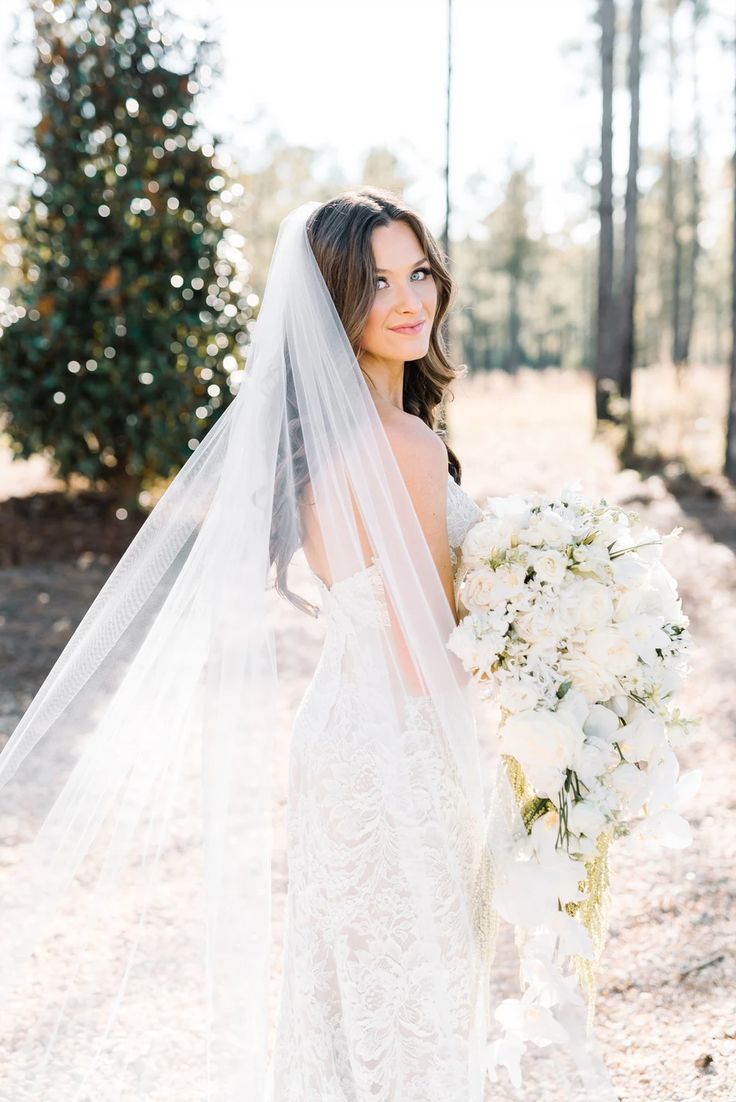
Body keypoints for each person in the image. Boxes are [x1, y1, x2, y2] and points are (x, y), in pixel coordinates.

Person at [0, 188, 616, 1100]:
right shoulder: (403, 442)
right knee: (420, 996)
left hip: (342, 735)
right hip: (403, 746)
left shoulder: (320, 441)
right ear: (332, 302)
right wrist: (551, 647)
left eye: (419, 273)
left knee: (349, 997)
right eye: (375, 283)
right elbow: (427, 647)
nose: (410, 300)